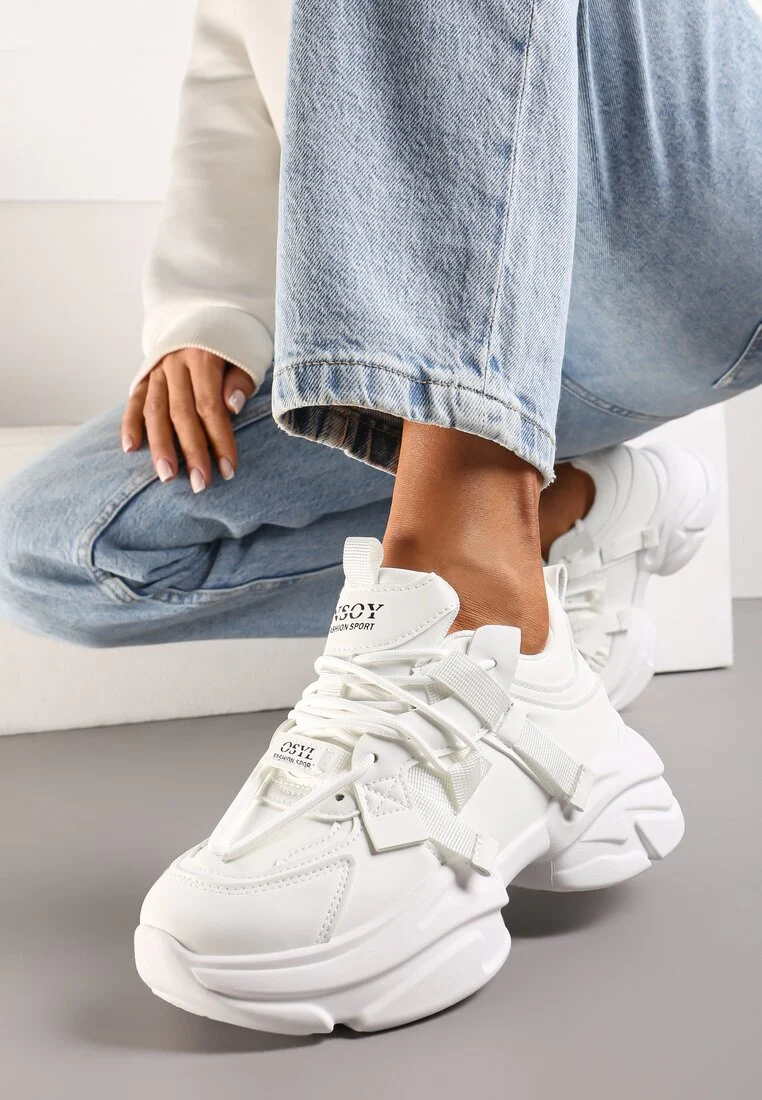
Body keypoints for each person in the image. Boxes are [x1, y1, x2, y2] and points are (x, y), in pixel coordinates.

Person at [0, 0, 760, 1033]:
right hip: (446, 314)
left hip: (672, 215)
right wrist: (209, 312)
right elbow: (236, 50)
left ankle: (471, 600)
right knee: (61, 544)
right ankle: (561, 534)